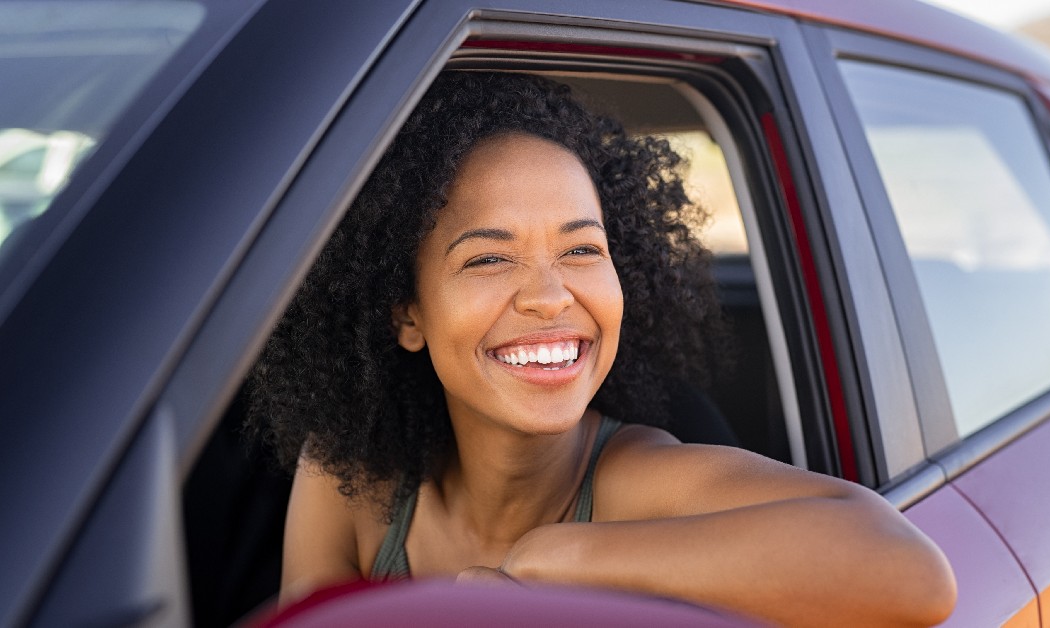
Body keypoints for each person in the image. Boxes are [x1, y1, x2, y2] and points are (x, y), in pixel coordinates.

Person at [250, 71, 956, 626]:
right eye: (489, 260)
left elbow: (911, 571)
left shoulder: (637, 483)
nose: (551, 295)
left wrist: (564, 559)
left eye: (582, 248)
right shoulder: (349, 478)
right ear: (407, 314)